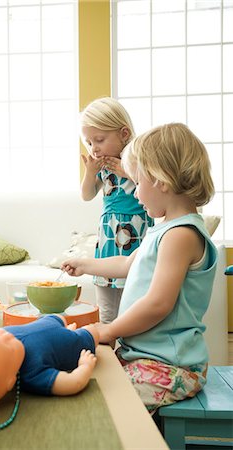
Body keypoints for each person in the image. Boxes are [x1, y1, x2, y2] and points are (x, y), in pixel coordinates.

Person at [63, 122, 218, 413]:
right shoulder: (163, 230)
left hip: (171, 366)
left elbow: (158, 304)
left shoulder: (181, 235)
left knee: (101, 401)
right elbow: (125, 264)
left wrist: (108, 330)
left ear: (162, 181)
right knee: (86, 375)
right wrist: (84, 264)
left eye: (138, 183)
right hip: (145, 356)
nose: (135, 195)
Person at [80, 97, 153, 324]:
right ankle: (107, 338)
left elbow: (153, 184)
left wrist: (127, 170)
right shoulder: (102, 164)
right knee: (106, 302)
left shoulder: (139, 158)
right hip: (109, 234)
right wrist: (90, 173)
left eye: (100, 140)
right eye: (89, 142)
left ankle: (129, 341)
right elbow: (87, 195)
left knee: (134, 290)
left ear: (124, 133)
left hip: (135, 232)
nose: (94, 148)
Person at [0, 315, 99, 414]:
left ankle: (65, 327)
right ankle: (73, 331)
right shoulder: (32, 374)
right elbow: (73, 383)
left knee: (60, 316)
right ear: (10, 381)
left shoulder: (3, 334)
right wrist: (84, 366)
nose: (4, 335)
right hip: (72, 344)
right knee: (93, 330)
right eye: (6, 345)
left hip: (48, 322)